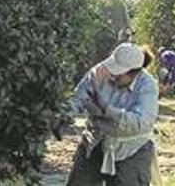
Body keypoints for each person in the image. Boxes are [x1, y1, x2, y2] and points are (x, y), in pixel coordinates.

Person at [66, 43, 160, 186]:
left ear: (133, 74)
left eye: (118, 74)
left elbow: (139, 123)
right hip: (95, 140)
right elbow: (78, 97)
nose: (112, 75)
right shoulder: (99, 72)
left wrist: (107, 109)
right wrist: (64, 114)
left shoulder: (147, 86)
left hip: (131, 149)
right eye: (112, 70)